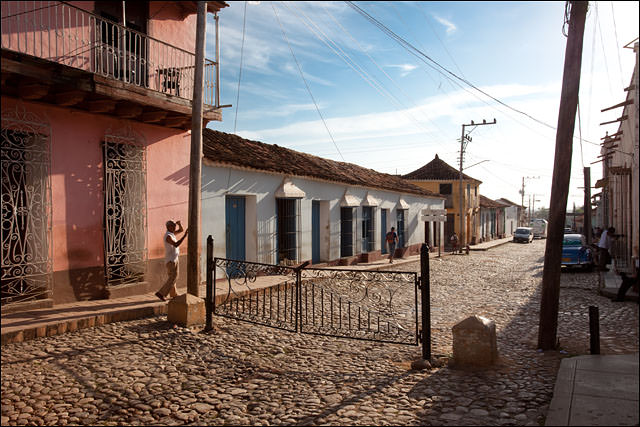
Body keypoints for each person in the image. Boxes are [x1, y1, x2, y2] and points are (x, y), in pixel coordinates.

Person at [155, 220, 188, 301]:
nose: (174, 227)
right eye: (173, 226)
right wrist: (184, 236)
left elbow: (181, 230)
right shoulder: (168, 236)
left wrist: (179, 224)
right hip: (170, 260)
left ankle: (173, 294)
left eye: (174, 226)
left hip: (174, 259)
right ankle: (161, 293)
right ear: (168, 227)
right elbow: (176, 244)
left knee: (173, 277)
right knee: (174, 277)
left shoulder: (172, 234)